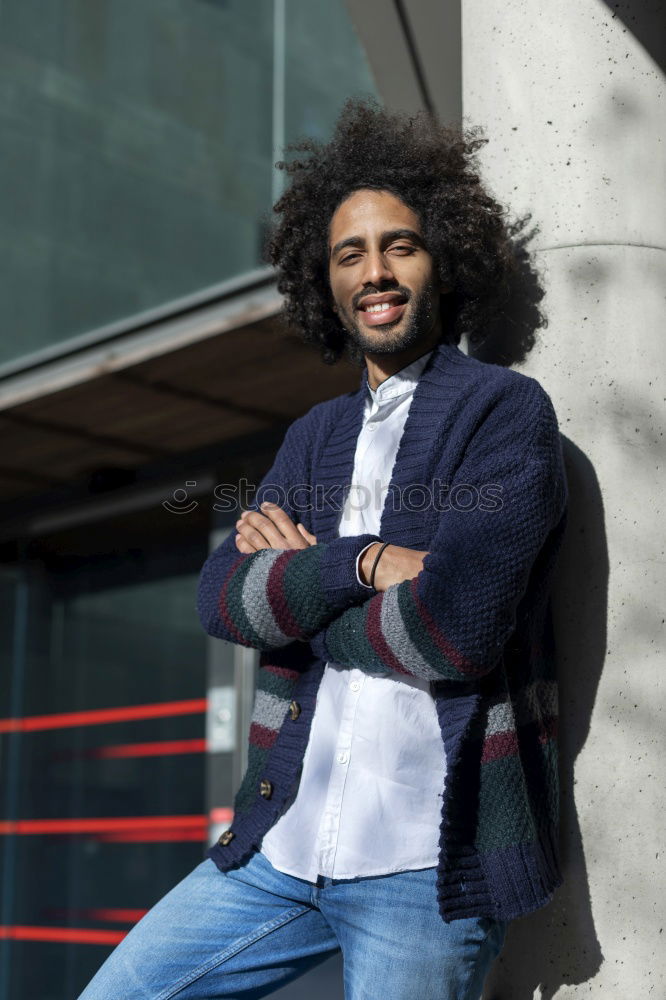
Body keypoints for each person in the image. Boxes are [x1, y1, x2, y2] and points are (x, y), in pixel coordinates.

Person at [78, 98, 568, 1000]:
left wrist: (301, 598)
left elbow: (454, 631)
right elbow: (223, 600)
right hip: (282, 845)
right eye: (351, 254)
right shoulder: (313, 435)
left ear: (442, 262)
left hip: (424, 872)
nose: (376, 272)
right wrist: (365, 564)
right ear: (327, 282)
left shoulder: (505, 412)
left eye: (400, 246)